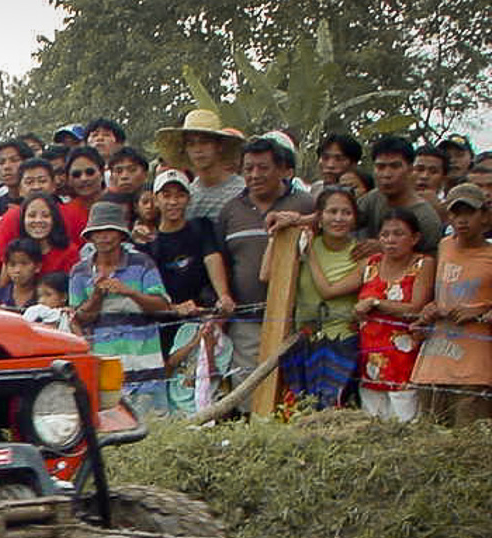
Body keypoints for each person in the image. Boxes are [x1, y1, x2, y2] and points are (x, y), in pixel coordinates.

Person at [216, 137, 316, 398]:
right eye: (248, 168)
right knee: (248, 391)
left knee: (294, 392)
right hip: (247, 320)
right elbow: (221, 261)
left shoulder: (305, 204)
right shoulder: (230, 211)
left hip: (296, 317)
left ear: (282, 169)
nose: (254, 175)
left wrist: (302, 220)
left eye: (263, 168)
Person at [69, 201, 173, 415]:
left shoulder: (142, 263)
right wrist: (96, 296)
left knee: (155, 428)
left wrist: (129, 292)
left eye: (110, 230)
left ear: (121, 235)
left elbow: (162, 306)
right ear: (90, 237)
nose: (104, 237)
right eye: (98, 232)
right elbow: (77, 320)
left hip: (146, 368)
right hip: (105, 370)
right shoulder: (80, 272)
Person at [270, 186, 364, 408]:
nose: (339, 218)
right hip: (304, 339)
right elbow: (267, 274)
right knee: (301, 406)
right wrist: (277, 235)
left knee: (333, 405)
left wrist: (310, 254)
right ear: (319, 217)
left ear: (355, 218)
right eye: (332, 212)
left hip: (342, 343)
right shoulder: (302, 242)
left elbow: (328, 291)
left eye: (346, 212)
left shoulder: (363, 254)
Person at [409, 183, 492, 424]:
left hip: (474, 370)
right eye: (455, 214)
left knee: (468, 438)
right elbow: (441, 293)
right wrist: (430, 310)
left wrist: (480, 311)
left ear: (484, 216)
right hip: (433, 363)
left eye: (469, 213)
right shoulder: (444, 246)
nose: (462, 220)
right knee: (430, 435)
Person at [142, 169, 235, 357]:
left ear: (188, 199)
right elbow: (148, 291)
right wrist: (174, 309)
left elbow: (212, 258)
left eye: (180, 195)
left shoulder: (201, 227)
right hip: (165, 326)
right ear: (156, 200)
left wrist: (224, 296)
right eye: (166, 196)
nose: (173, 202)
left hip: (204, 319)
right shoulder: (149, 244)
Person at [355, 210, 434, 421]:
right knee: (370, 428)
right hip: (370, 363)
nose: (390, 240)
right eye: (385, 234)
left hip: (404, 364)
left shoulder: (423, 264)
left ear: (415, 238)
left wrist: (376, 303)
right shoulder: (371, 264)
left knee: (406, 426)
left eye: (398, 234)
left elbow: (416, 308)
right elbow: (330, 290)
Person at [356, 137, 444, 255]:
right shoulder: (371, 199)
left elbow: (431, 260)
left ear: (410, 169)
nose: (387, 174)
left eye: (395, 166)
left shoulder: (426, 218)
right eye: (380, 167)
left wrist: (386, 248)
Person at [155, 109, 246, 221]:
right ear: (185, 149)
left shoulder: (242, 192)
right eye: (191, 144)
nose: (198, 149)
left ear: (219, 146)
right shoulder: (187, 196)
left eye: (204, 142)